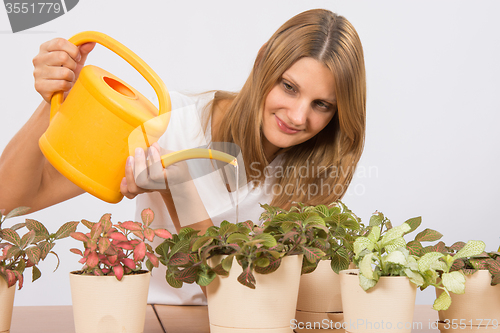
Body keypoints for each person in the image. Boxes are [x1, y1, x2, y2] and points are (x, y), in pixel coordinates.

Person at [0, 8, 366, 304]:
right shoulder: (169, 123)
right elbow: (10, 198)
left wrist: (179, 188)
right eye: (289, 86)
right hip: (155, 323)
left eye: (321, 105)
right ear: (263, 60)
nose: (299, 116)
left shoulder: (318, 165)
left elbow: (236, 294)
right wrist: (56, 99)